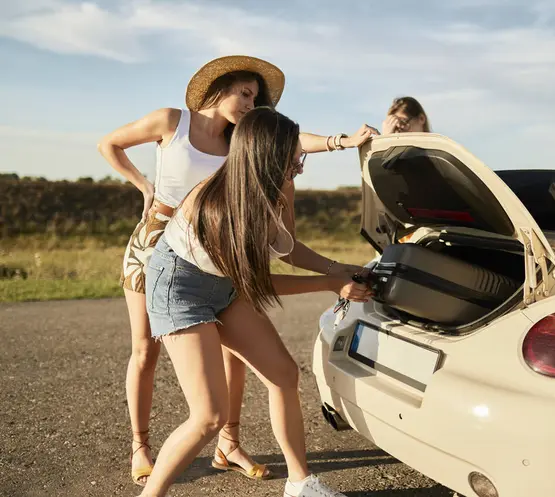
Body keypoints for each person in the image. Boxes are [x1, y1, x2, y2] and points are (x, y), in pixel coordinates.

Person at [97, 55, 377, 486]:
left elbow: (286, 247)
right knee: (205, 415)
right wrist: (330, 283)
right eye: (293, 157)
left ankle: (301, 486)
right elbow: (257, 279)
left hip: (223, 283)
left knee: (283, 375)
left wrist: (341, 269)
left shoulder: (266, 185)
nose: (299, 163)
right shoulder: (216, 198)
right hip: (180, 284)